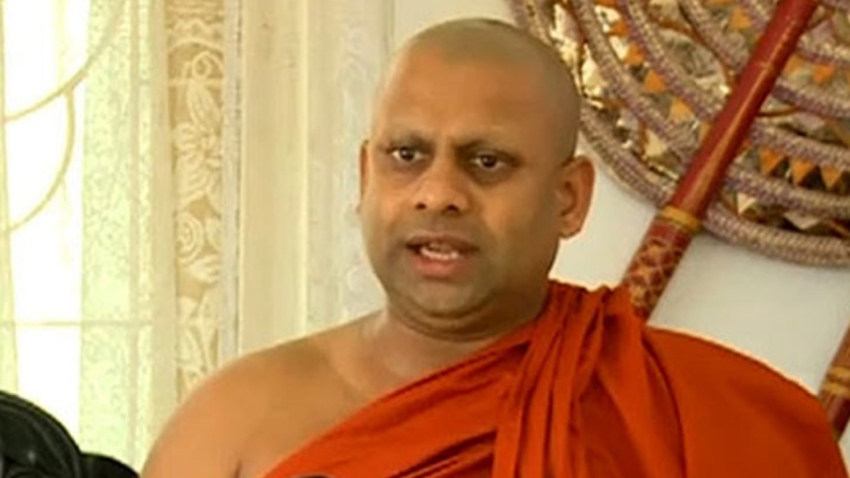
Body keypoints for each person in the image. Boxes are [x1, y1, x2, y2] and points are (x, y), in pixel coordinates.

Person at [141, 18, 847, 478]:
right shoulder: (233, 422)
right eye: (407, 155)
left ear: (568, 200)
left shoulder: (707, 417)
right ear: (364, 176)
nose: (438, 193)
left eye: (487, 162)